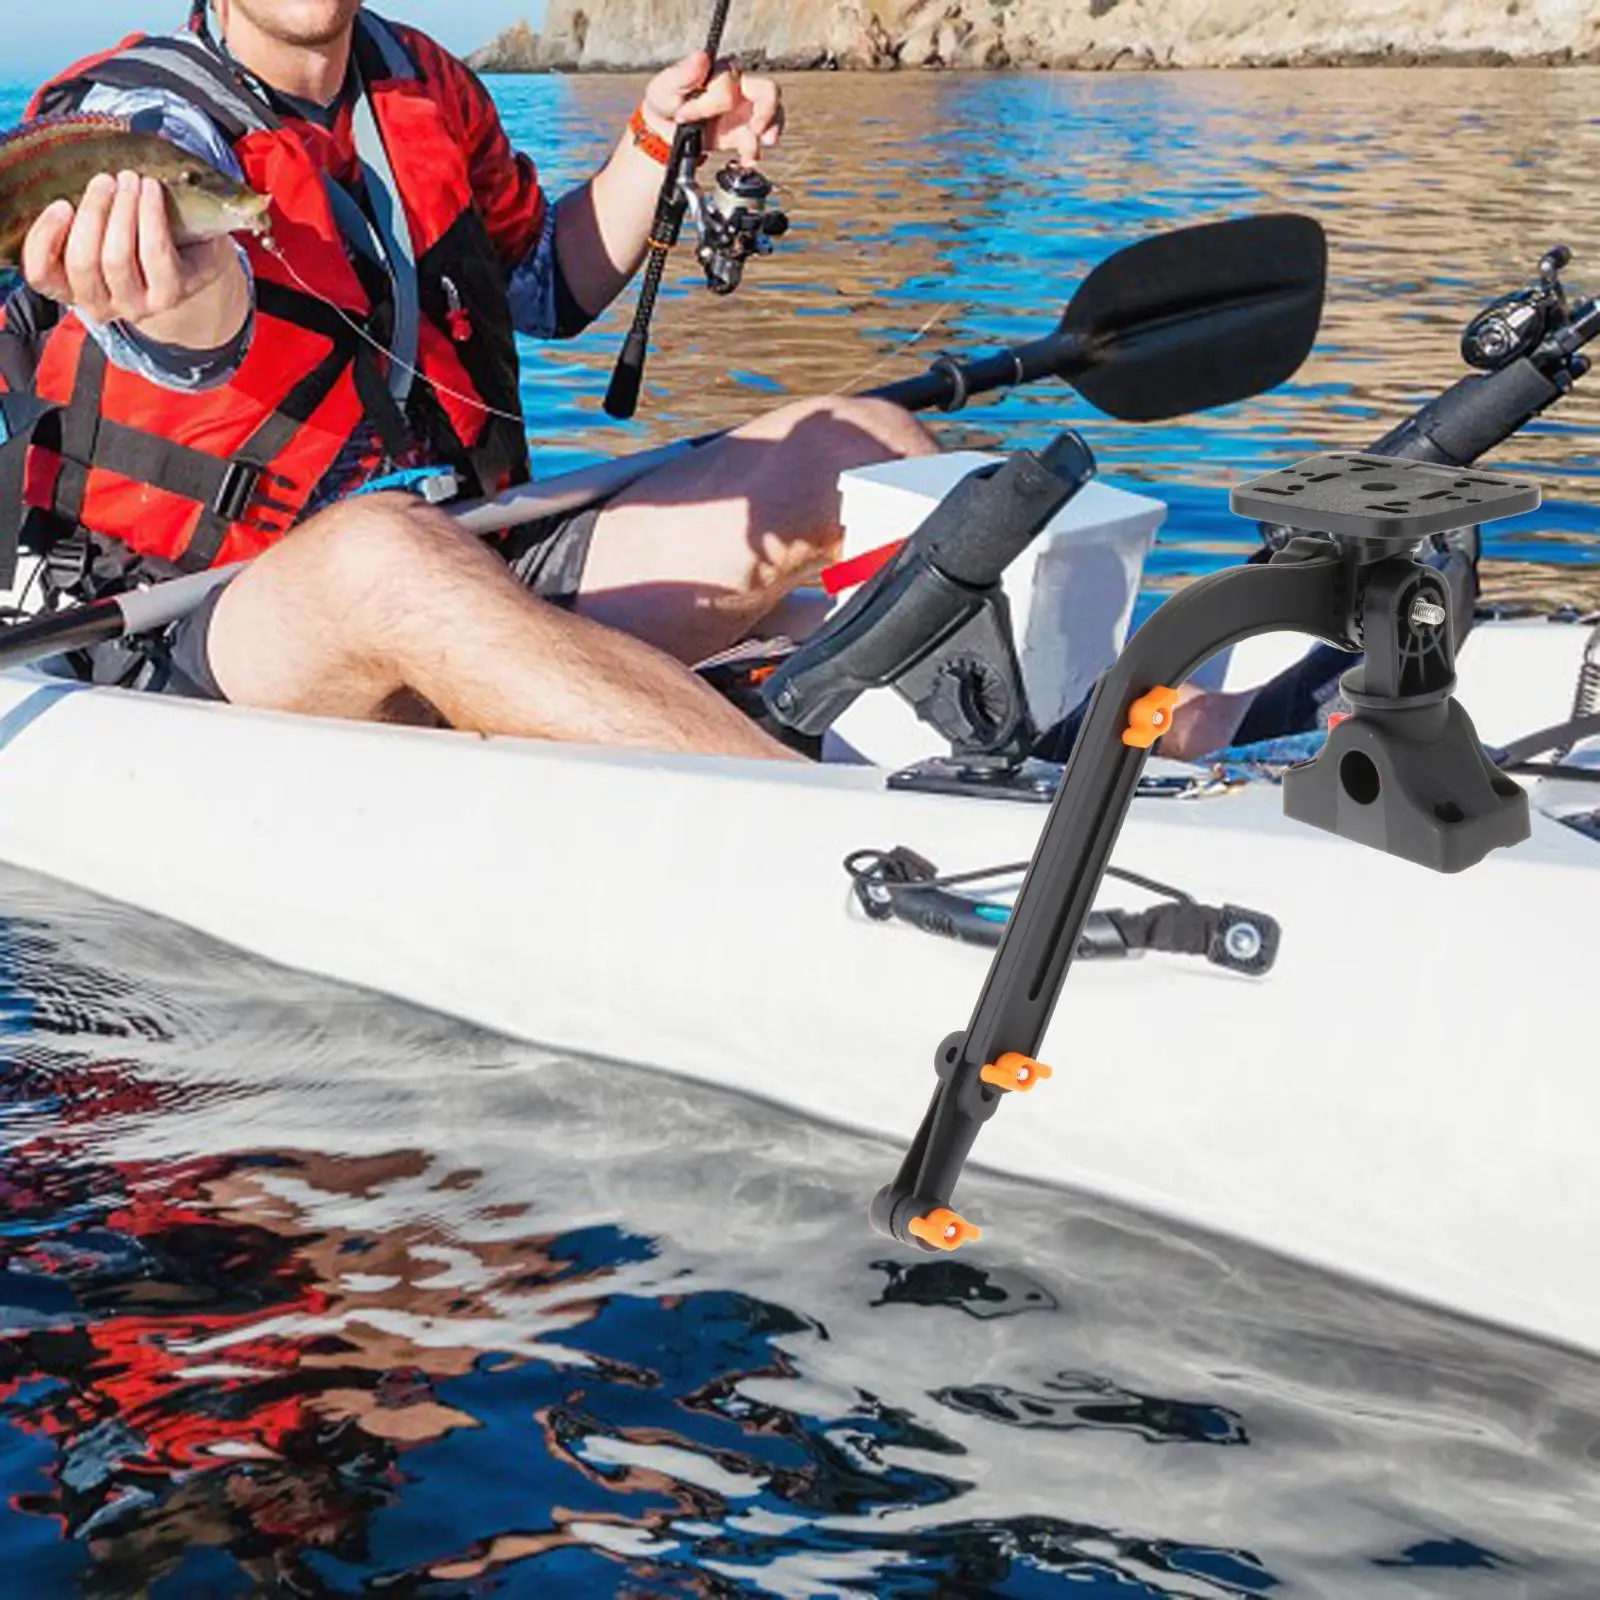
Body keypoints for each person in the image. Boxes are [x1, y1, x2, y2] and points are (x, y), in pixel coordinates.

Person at [0, 0, 937, 759]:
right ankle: (820, 837)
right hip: (203, 620)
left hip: (477, 560)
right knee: (384, 554)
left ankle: (1006, 762)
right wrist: (173, 292)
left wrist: (658, 139)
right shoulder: (137, 116)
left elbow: (545, 285)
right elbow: (189, 337)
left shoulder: (430, 85)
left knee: (861, 444)